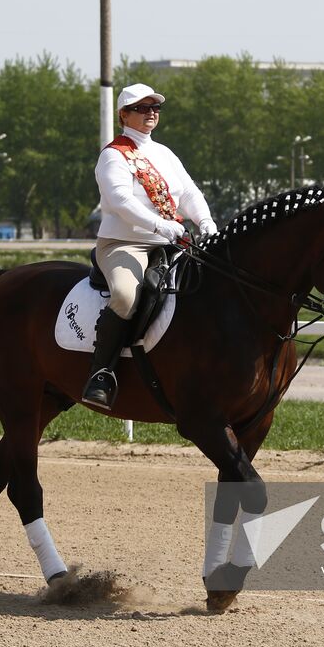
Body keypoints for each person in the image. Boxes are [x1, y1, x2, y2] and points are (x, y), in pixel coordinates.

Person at [82, 82, 218, 409]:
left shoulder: (164, 153)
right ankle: (101, 373)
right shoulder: (114, 155)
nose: (151, 113)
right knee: (127, 296)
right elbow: (119, 201)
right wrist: (161, 224)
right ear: (123, 115)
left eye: (155, 108)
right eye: (142, 108)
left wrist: (206, 222)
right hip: (124, 244)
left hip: (168, 244)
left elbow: (188, 194)